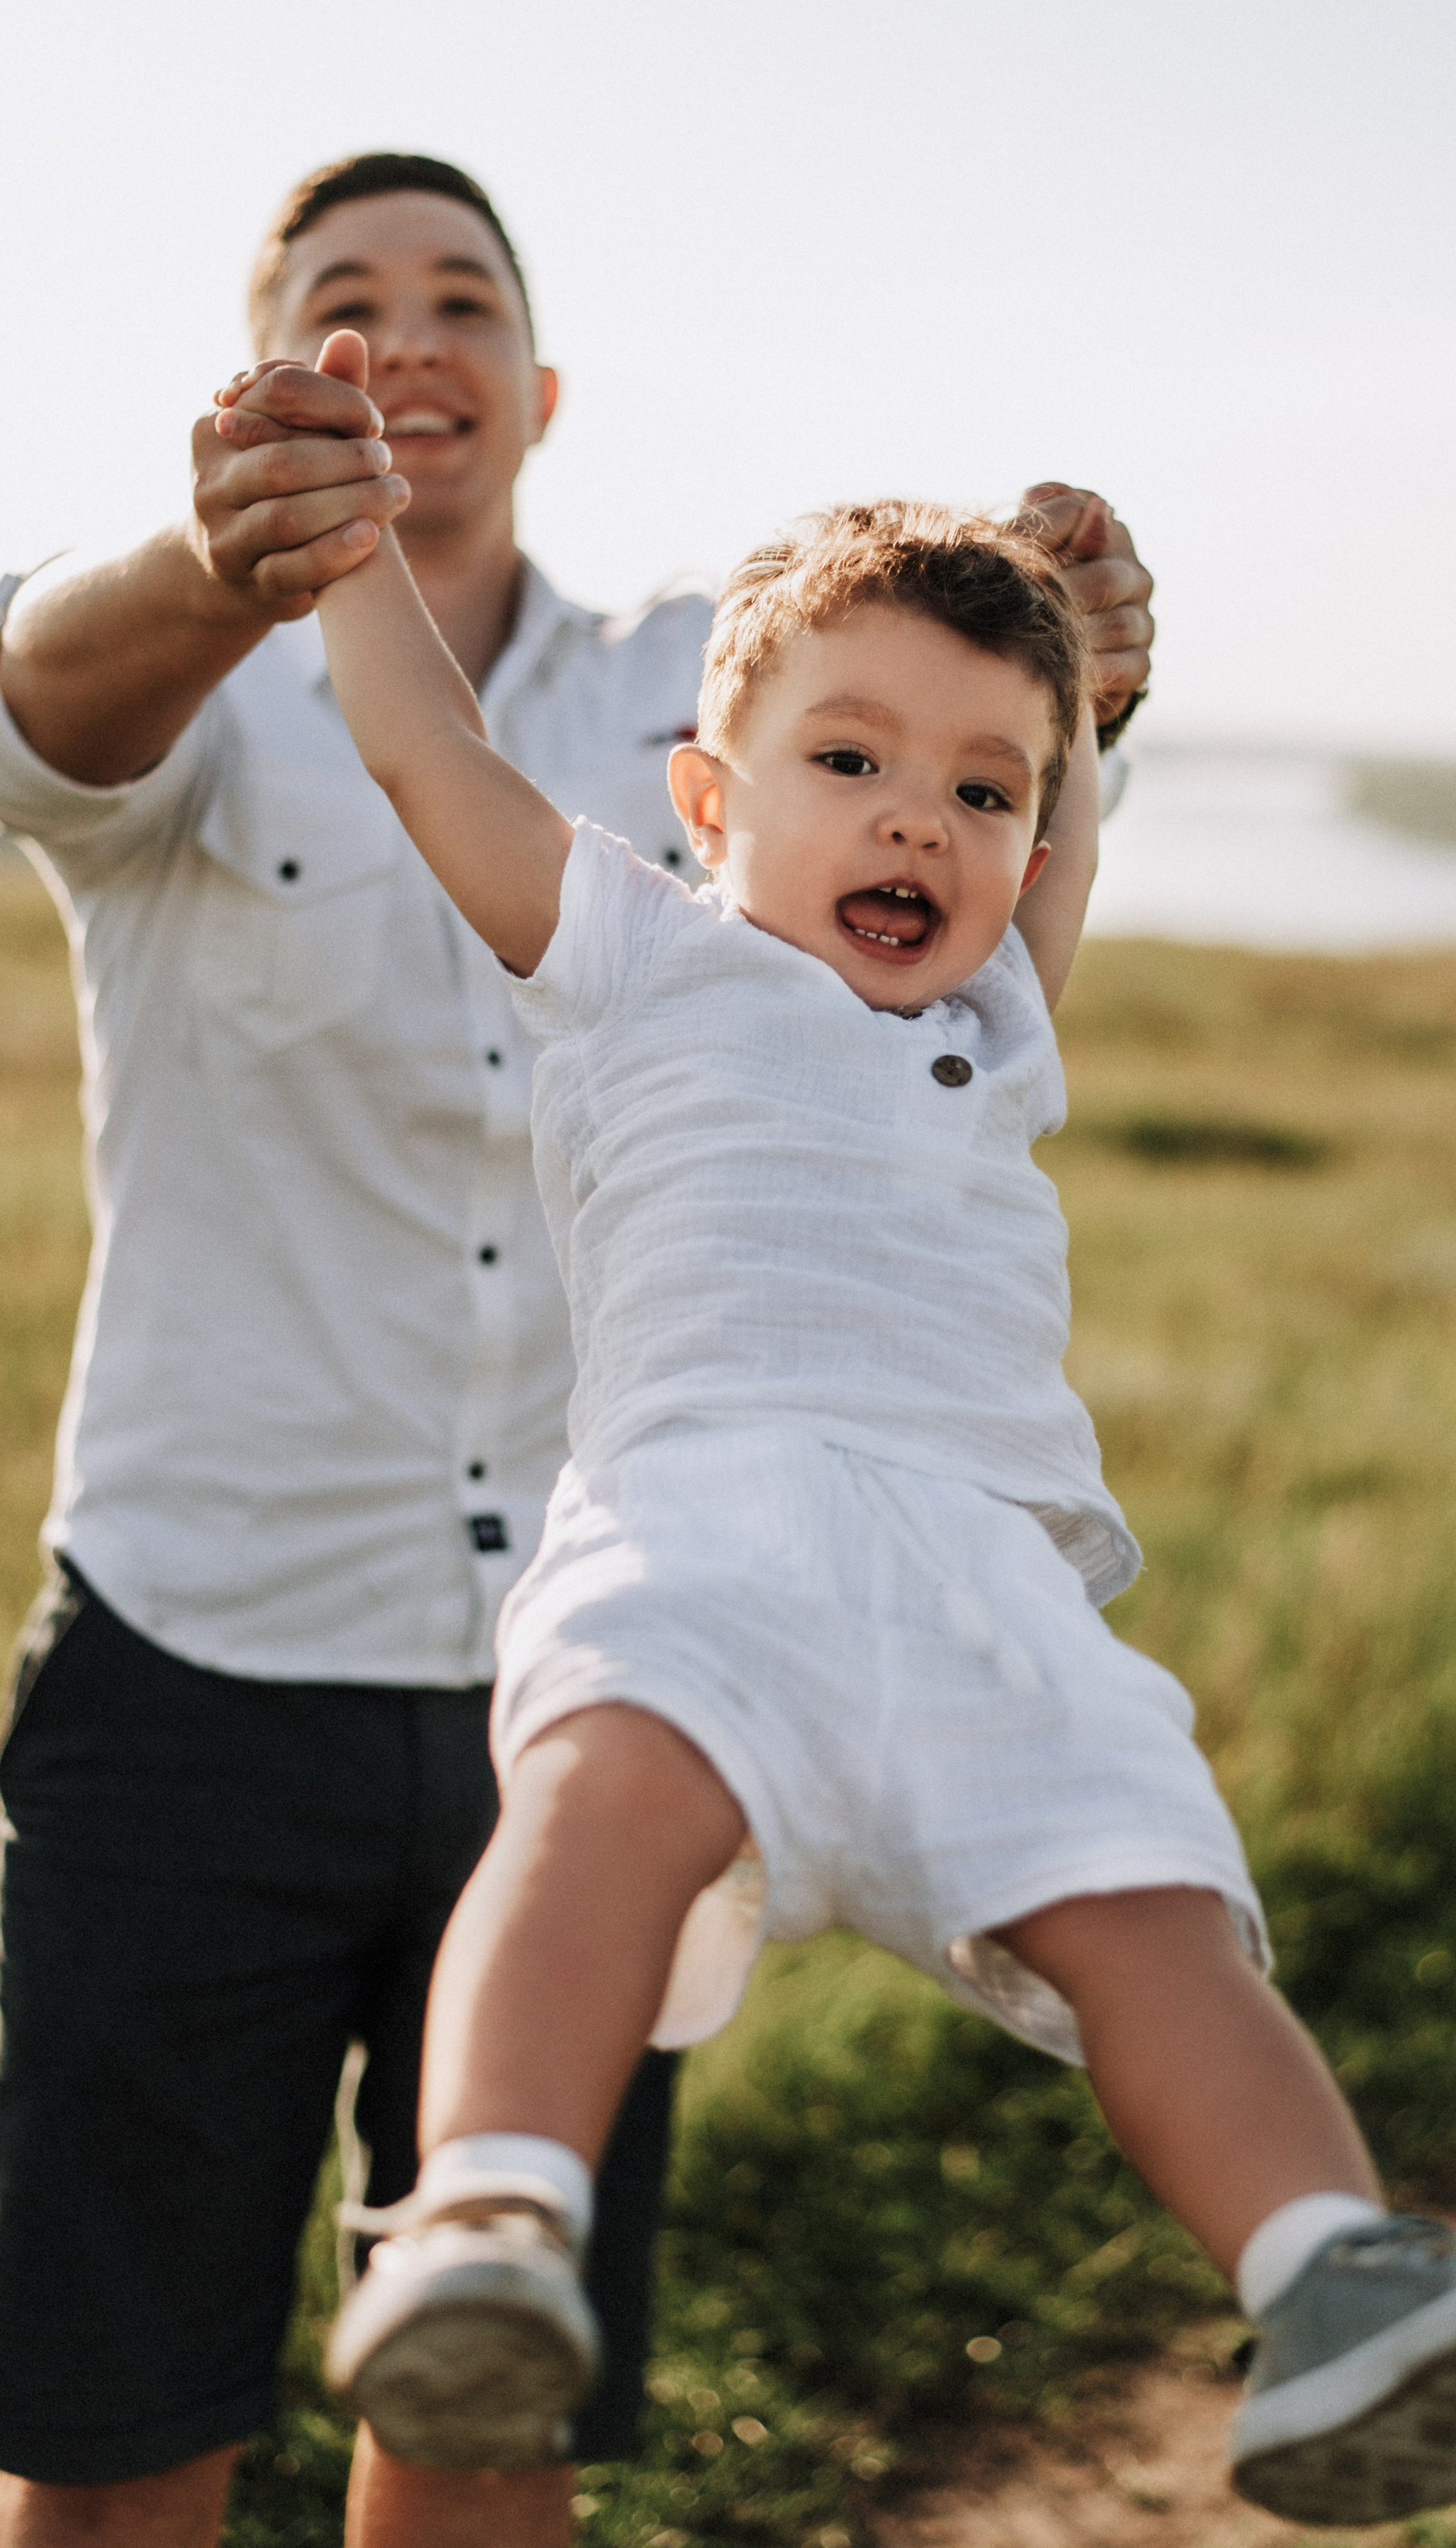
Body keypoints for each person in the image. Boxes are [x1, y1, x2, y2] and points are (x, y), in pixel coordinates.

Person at [284, 424, 1456, 2527]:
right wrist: (347, 540)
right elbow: (420, 754)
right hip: (708, 1528)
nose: (920, 814)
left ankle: (1334, 2276)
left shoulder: (999, 1010)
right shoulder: (640, 952)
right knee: (589, 1814)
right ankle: (483, 2217)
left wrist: (1066, 665)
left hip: (989, 1591)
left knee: (1161, 1912)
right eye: (849, 761)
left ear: (1032, 844)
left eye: (983, 789)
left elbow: (1064, 819)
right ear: (707, 798)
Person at [0, 153, 1157, 2548]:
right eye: (348, 299)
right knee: (111, 2425)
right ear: (261, 370)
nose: (411, 335)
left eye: (464, 299)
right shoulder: (208, 667)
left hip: (619, 1674)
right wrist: (233, 554)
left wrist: (1078, 669)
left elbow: (948, 862)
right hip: (201, 1656)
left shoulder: (698, 689)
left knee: (490, 2404)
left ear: (540, 384)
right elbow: (37, 698)